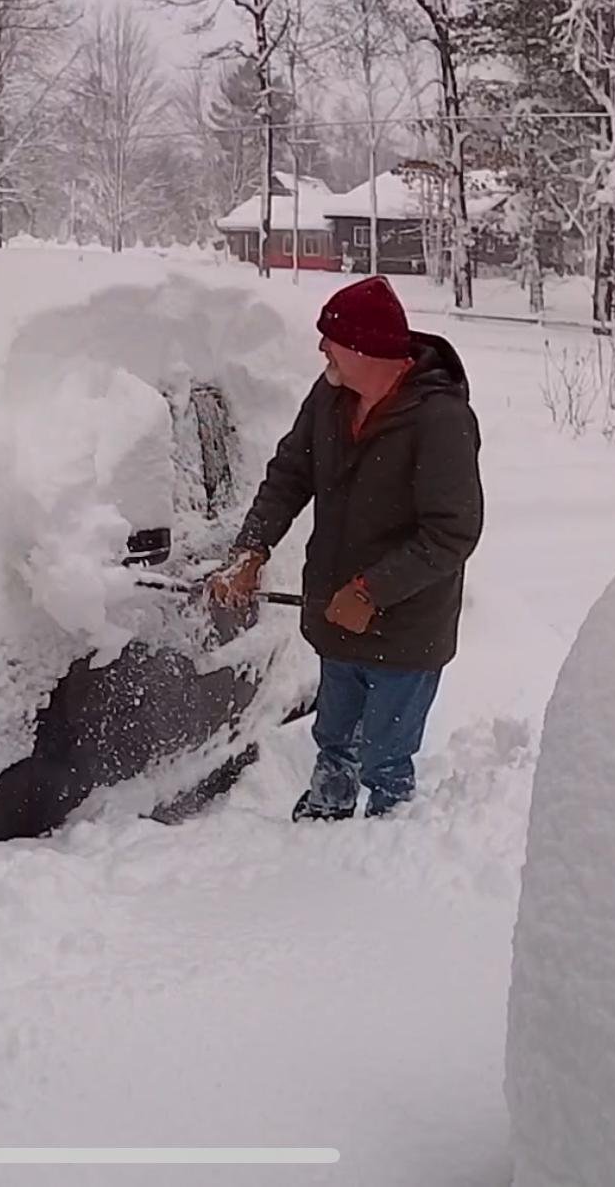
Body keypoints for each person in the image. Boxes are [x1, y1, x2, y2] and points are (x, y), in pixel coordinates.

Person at [209, 274, 483, 821]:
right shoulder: (331, 397)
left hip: (406, 628)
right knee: (334, 731)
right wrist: (252, 549)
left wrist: (372, 591)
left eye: (330, 341)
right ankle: (328, 806)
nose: (320, 351)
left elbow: (452, 532)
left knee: (385, 749)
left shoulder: (440, 420)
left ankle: (388, 831)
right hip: (336, 612)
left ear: (364, 349)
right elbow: (290, 473)